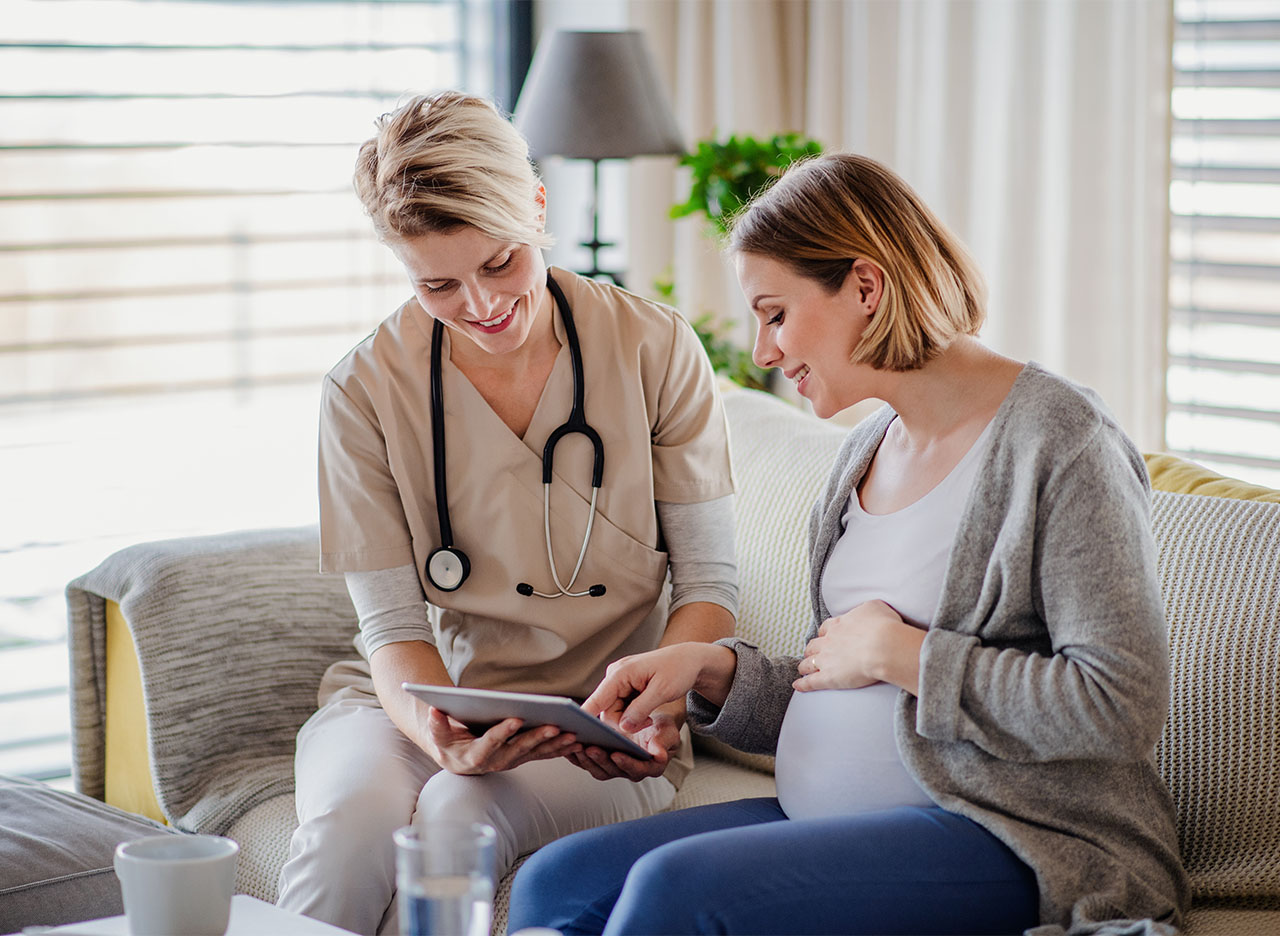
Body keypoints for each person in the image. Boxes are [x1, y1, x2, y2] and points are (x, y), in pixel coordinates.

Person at [508, 153, 1189, 936]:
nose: (763, 352)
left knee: (679, 891)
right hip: (826, 822)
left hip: (1012, 836)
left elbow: (1118, 708)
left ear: (866, 287)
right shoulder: (865, 449)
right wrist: (712, 673)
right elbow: (834, 673)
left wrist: (904, 655)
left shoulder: (1060, 443)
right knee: (555, 884)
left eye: (775, 314)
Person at [275, 91, 738, 935]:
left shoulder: (655, 347)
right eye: (437, 284)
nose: (482, 305)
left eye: (500, 264)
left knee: (458, 813)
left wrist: (655, 703)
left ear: (537, 208)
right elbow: (391, 629)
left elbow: (709, 585)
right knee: (348, 829)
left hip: (599, 717)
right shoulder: (364, 391)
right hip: (413, 699)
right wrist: (433, 725)